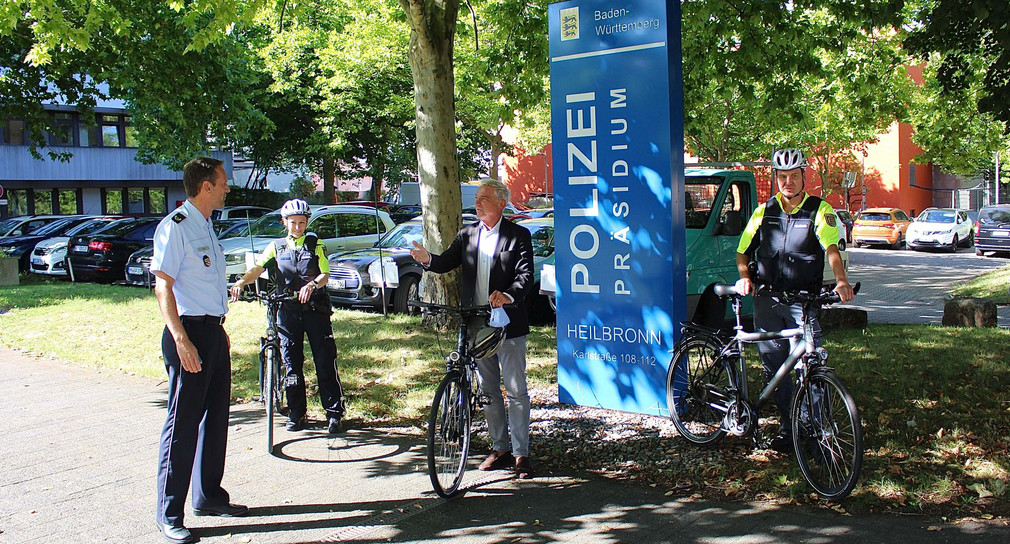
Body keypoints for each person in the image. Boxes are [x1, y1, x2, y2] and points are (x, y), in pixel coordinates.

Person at [409, 179, 536, 478]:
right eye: (477, 198)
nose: (477, 203)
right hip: (475, 322)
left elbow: (526, 275)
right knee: (488, 390)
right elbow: (445, 262)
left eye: (484, 198)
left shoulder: (518, 235)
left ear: (501, 203)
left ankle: (521, 454)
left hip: (507, 323)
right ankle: (500, 448)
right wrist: (427, 259)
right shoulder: (467, 235)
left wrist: (508, 296)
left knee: (516, 391)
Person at [151, 157, 247, 544]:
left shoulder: (206, 225)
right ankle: (169, 513)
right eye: (223, 183)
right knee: (182, 424)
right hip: (187, 335)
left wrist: (217, 329)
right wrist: (180, 338)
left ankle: (208, 496)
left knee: (215, 419)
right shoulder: (175, 227)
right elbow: (163, 286)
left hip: (212, 333)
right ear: (206, 185)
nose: (227, 189)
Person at [735, 148, 855, 453]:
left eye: (794, 176)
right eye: (782, 176)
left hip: (802, 303)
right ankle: (789, 430)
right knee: (776, 370)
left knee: (810, 363)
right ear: (776, 178)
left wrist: (840, 280)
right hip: (767, 301)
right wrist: (745, 276)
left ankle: (814, 433)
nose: (788, 182)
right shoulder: (764, 211)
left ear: (805, 176)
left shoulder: (819, 210)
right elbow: (742, 250)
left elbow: (831, 250)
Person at [229, 199, 345, 434]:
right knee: (291, 364)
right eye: (293, 223)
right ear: (284, 222)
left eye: (302, 223)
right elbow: (259, 268)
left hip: (315, 311)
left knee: (324, 362)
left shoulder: (315, 244)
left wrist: (312, 285)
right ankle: (296, 412)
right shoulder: (276, 246)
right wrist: (241, 281)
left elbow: (325, 274)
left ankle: (334, 413)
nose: (298, 227)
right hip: (287, 311)